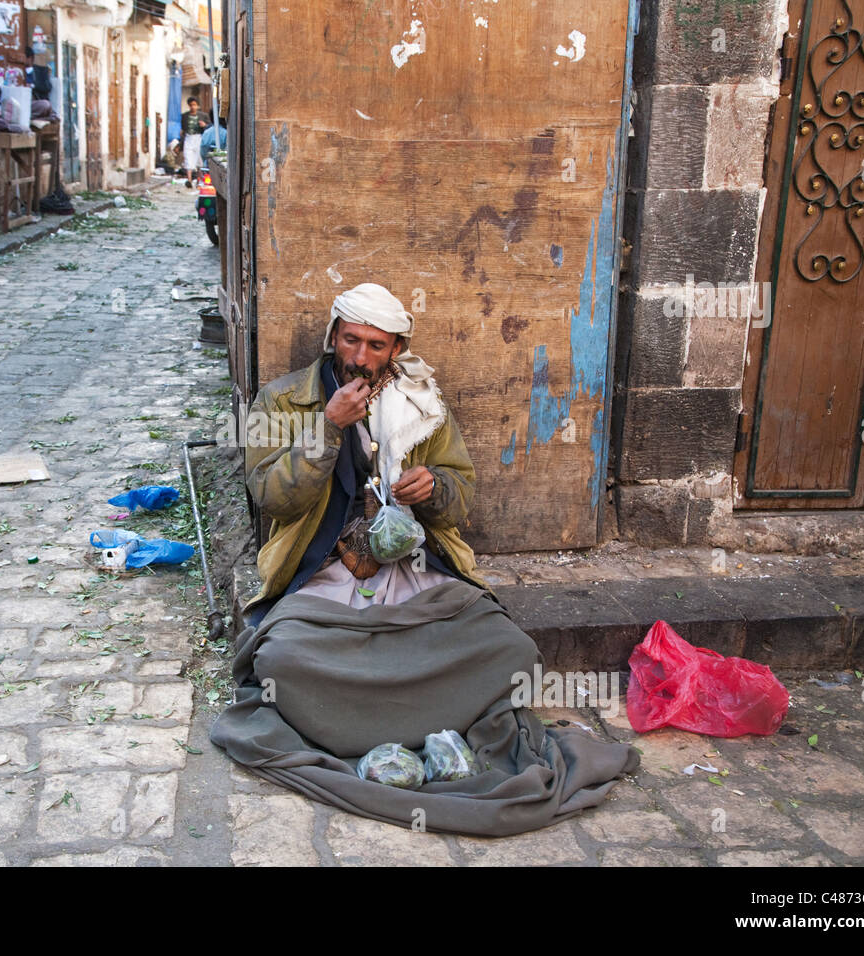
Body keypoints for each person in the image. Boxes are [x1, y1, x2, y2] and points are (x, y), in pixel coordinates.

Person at [209, 283, 640, 837]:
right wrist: (329, 428)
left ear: (395, 349)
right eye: (351, 340)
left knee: (509, 648)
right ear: (332, 337)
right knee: (282, 661)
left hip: (413, 572)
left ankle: (366, 719)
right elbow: (271, 497)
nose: (360, 357)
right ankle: (421, 717)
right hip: (322, 573)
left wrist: (433, 487)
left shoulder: (423, 403)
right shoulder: (281, 400)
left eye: (376, 345)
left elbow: (461, 497)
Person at [180, 97, 207, 187]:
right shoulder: (184, 116)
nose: (193, 107)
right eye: (191, 105)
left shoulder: (203, 116)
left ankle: (199, 180)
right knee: (188, 158)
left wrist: (204, 125)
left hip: (198, 138)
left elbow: (209, 126)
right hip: (188, 138)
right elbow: (183, 129)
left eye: (194, 105)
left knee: (199, 159)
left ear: (197, 105)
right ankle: (189, 180)